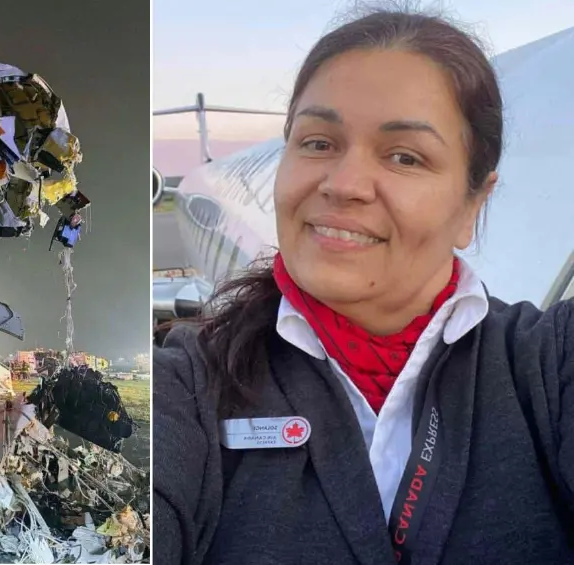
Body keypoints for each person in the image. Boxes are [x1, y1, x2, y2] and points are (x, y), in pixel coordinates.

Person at [153, 7, 574, 565]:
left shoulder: (547, 367)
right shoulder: (185, 385)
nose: (344, 184)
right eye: (318, 142)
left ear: (475, 201)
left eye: (405, 156)